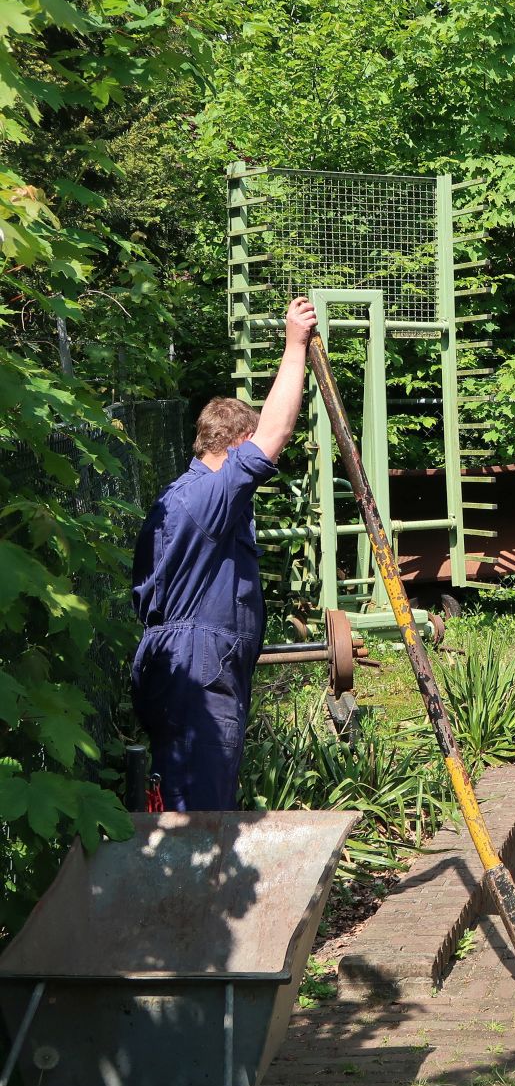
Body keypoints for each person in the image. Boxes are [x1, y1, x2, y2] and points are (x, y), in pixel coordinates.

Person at [130, 296, 318, 811]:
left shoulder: (177, 499)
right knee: (202, 818)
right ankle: (201, 894)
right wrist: (295, 343)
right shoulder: (210, 497)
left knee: (183, 802)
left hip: (179, 662)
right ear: (236, 444)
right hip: (199, 667)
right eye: (249, 448)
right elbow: (274, 435)